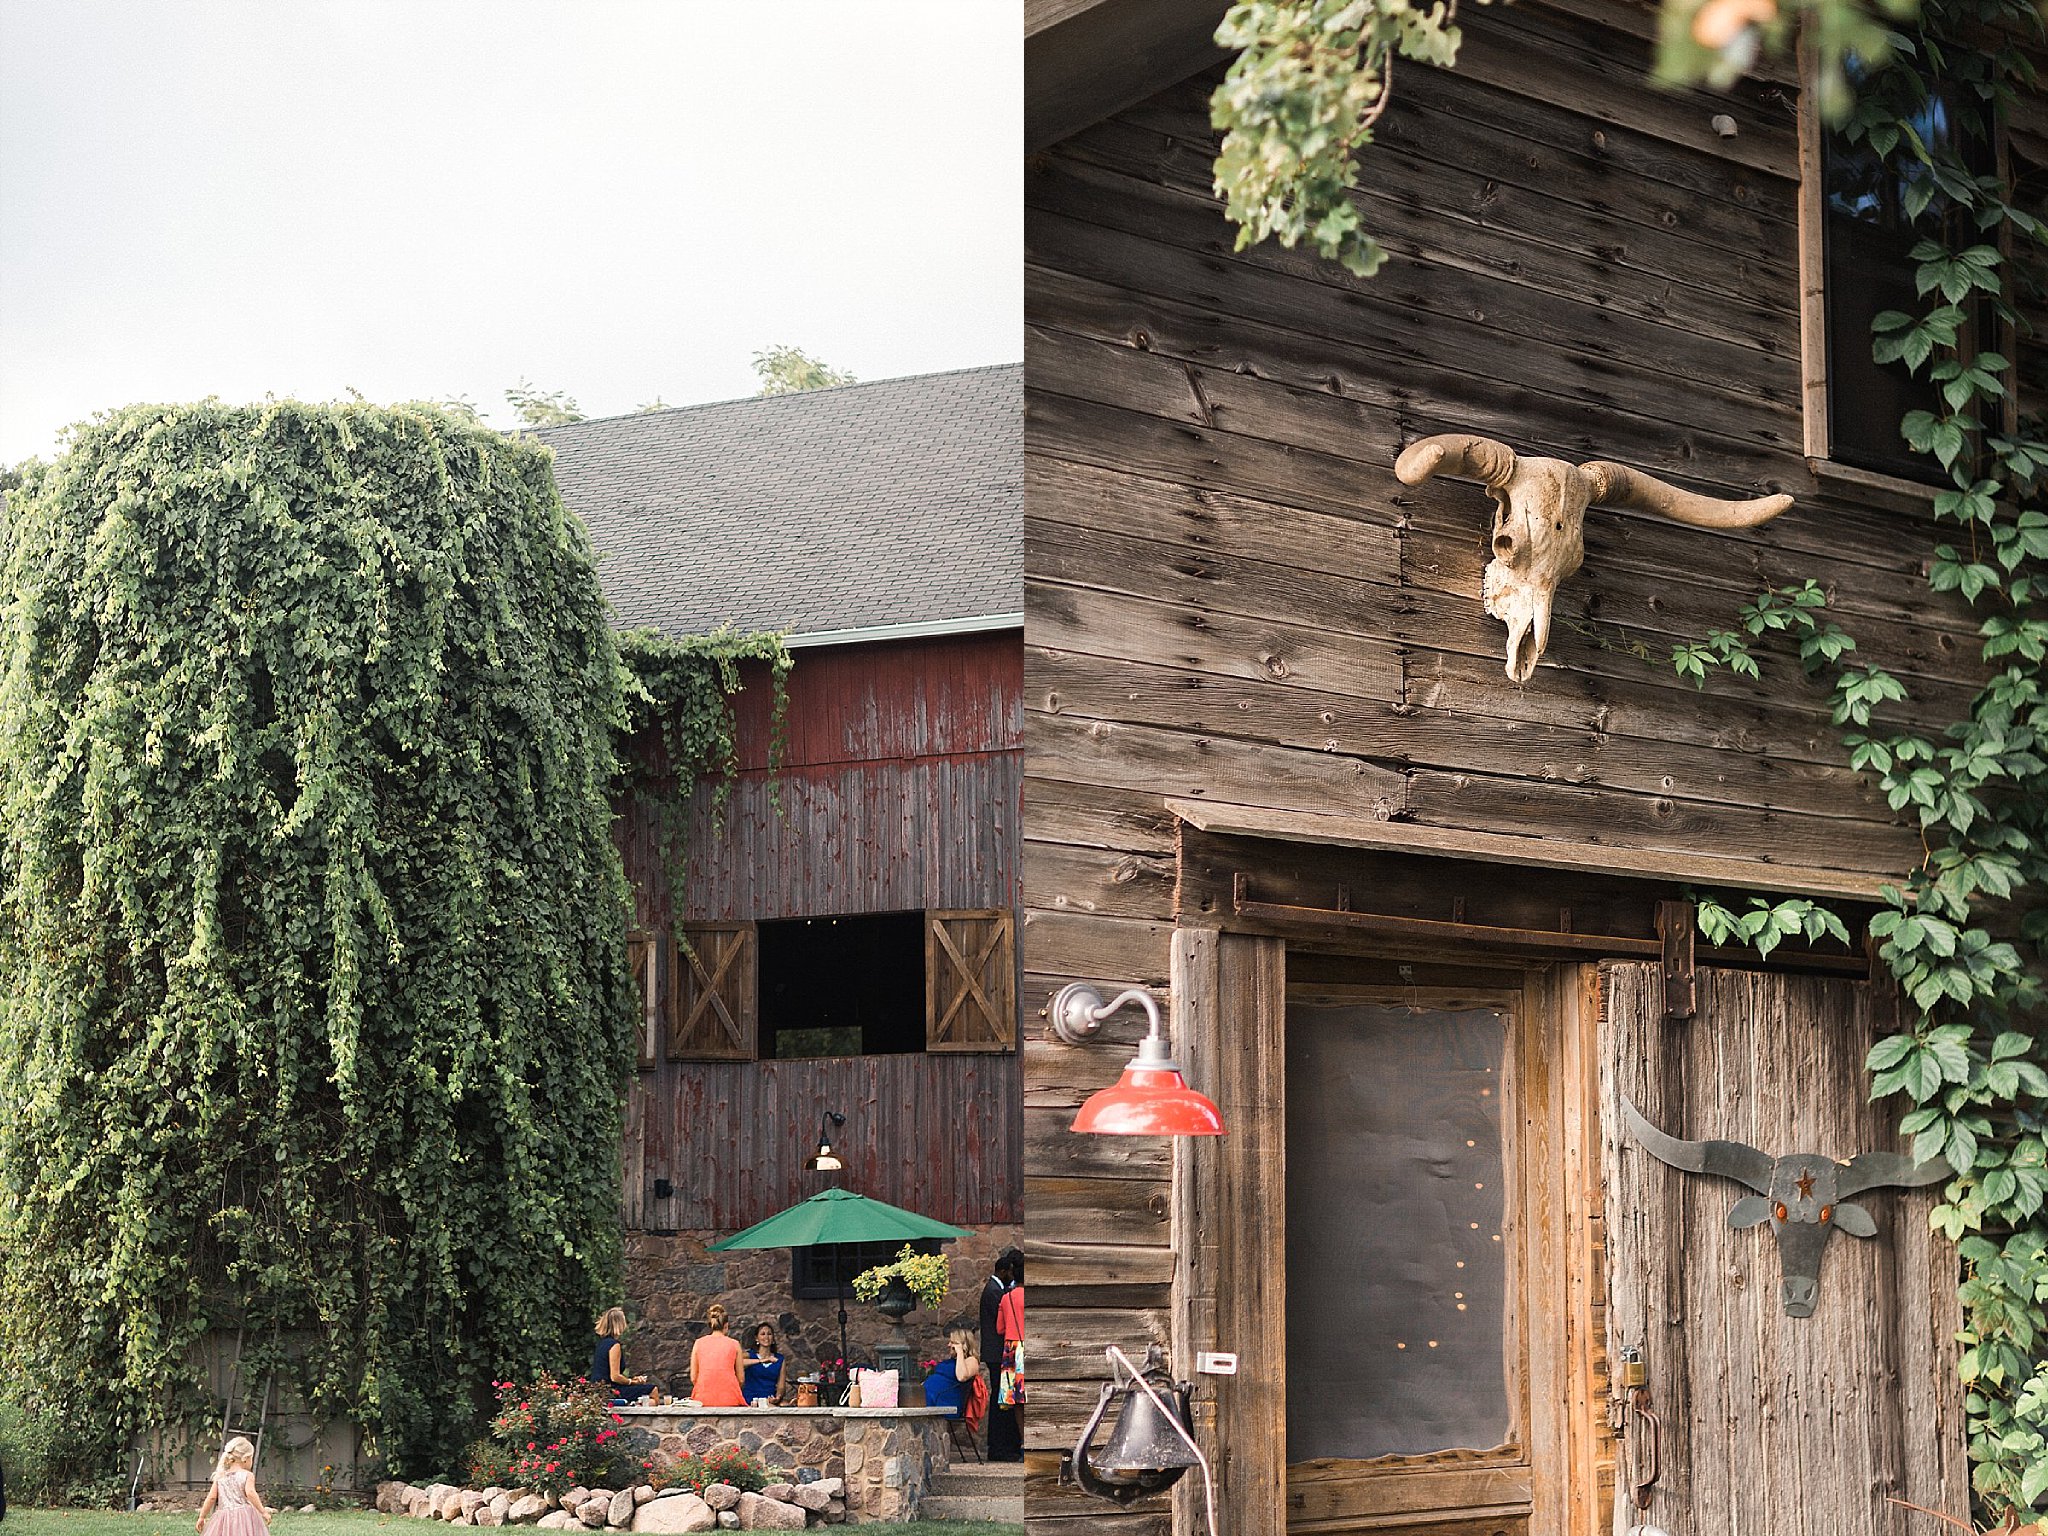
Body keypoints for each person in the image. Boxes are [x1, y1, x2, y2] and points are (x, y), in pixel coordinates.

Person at [984, 1248, 1024, 1461]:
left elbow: (1000, 1328)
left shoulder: (1006, 1297)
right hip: (1021, 1348)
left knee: (1012, 1400)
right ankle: (1008, 1445)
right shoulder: (995, 1292)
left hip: (1010, 1350)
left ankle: (1021, 1444)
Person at [194, 1436, 270, 1536]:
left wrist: (202, 1517)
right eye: (252, 1457)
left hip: (224, 1518)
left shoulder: (220, 1477)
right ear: (246, 1459)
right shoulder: (247, 1475)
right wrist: (263, 1511)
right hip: (244, 1517)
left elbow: (211, 1497)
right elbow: (251, 1493)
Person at [922, 1328, 989, 1433]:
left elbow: (961, 1376)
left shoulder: (971, 1361)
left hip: (947, 1400)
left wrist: (960, 1353)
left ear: (963, 1344)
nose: (949, 1345)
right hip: (934, 1396)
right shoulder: (953, 1361)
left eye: (953, 1342)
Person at [591, 1307, 661, 1405]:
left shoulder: (602, 1344)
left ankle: (635, 1404)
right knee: (653, 1390)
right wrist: (632, 1382)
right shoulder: (614, 1345)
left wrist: (633, 1380)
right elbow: (615, 1376)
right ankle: (634, 1407)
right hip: (610, 1390)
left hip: (599, 1388)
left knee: (645, 1396)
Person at [688, 1303, 747, 1407]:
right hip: (729, 1396)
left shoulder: (698, 1343)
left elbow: (693, 1377)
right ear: (726, 1325)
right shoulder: (734, 1344)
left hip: (702, 1397)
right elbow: (741, 1378)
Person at [741, 1322, 787, 1406]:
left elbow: (781, 1386)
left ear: (773, 1338)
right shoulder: (749, 1355)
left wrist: (778, 1397)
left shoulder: (779, 1359)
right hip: (750, 1399)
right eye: (762, 1334)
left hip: (768, 1400)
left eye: (769, 1334)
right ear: (756, 1338)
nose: (766, 1337)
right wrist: (761, 1361)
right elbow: (738, 1363)